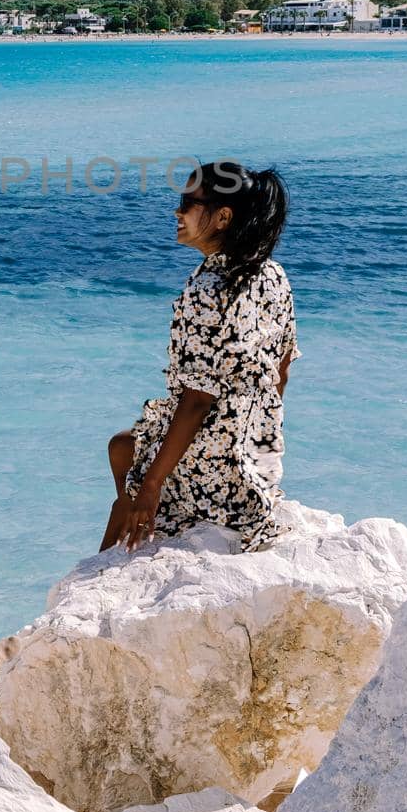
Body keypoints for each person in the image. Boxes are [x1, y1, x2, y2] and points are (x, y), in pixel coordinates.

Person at [101, 161, 299, 555]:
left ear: (223, 217)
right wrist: (258, 448)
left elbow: (197, 401)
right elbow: (282, 369)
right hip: (253, 455)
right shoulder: (272, 274)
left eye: (189, 203)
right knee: (123, 447)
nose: (177, 212)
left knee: (131, 475)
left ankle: (100, 572)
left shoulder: (208, 288)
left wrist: (153, 486)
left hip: (212, 472)